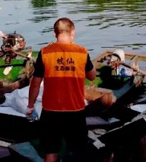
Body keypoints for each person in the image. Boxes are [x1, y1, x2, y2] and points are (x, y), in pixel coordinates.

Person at [26, 18, 96, 162]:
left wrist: (31, 105)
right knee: (77, 151)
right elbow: (92, 76)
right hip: (75, 110)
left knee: (51, 152)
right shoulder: (82, 52)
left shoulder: (45, 52)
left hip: (51, 111)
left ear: (54, 34)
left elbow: (35, 83)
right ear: (73, 32)